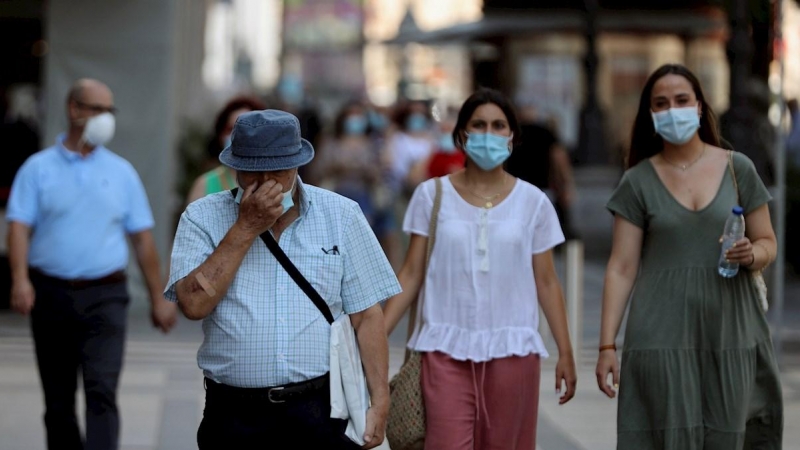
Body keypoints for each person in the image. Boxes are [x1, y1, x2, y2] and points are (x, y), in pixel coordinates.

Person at [165, 109, 401, 449]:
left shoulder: (341, 215)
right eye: (252, 172)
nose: (264, 183)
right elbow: (193, 303)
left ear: (297, 165)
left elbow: (366, 315)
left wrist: (379, 400)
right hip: (233, 414)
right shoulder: (202, 216)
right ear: (235, 168)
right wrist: (245, 227)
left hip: (319, 409)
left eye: (276, 170)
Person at [595, 64, 783, 449]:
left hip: (730, 329)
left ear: (699, 107)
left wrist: (751, 254)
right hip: (660, 334)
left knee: (731, 434)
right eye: (660, 103)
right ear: (650, 114)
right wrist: (606, 346)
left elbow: (768, 242)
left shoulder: (737, 168)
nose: (672, 110)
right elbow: (621, 267)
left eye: (681, 100)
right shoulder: (638, 180)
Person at [383, 88, 577, 449]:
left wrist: (566, 353)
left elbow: (547, 282)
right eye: (479, 125)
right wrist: (374, 338)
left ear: (512, 137)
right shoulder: (431, 195)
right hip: (443, 349)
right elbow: (411, 274)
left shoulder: (533, 202)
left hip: (514, 350)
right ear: (461, 135)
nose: (489, 134)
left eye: (499, 126)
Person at [5, 78, 178, 450]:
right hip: (50, 294)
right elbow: (18, 227)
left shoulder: (122, 173)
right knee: (58, 401)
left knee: (102, 390)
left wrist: (159, 298)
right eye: (99, 110)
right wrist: (20, 279)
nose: (106, 119)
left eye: (110, 111)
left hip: (106, 296)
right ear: (74, 110)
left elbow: (143, 241)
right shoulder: (38, 169)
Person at [506, 103, 577, 240]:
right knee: (543, 235)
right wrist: (566, 184)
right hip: (542, 188)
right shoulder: (545, 132)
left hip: (515, 189)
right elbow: (559, 158)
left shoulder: (511, 134)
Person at [186, 95, 266, 204]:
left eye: (245, 130)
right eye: (230, 129)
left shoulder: (270, 183)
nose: (236, 136)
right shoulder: (204, 185)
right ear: (220, 135)